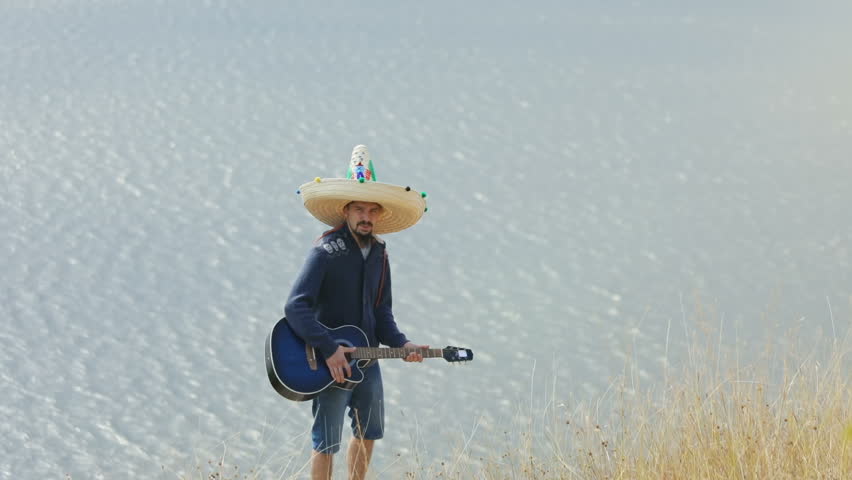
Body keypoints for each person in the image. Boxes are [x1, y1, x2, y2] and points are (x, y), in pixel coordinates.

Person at [284, 145, 429, 480]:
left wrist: (403, 344)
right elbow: (295, 305)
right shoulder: (325, 251)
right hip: (330, 362)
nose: (366, 216)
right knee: (326, 442)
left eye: (372, 211)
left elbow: (382, 312)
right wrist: (329, 349)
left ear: (379, 215)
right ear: (346, 211)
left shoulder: (380, 253)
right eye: (359, 209)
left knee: (368, 433)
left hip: (369, 359)